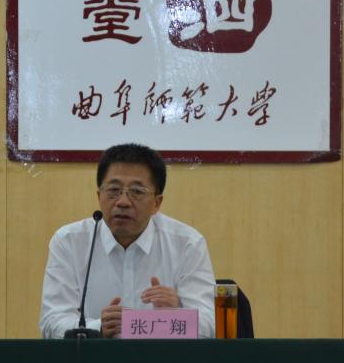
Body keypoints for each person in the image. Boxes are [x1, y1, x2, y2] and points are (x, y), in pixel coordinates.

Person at [40, 143, 216, 338]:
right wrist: (99, 328)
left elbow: (209, 325)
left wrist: (175, 314)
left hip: (165, 356)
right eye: (113, 190)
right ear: (99, 196)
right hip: (95, 357)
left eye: (137, 192)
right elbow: (52, 321)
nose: (122, 202)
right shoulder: (69, 242)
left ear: (157, 203)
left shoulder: (187, 244)